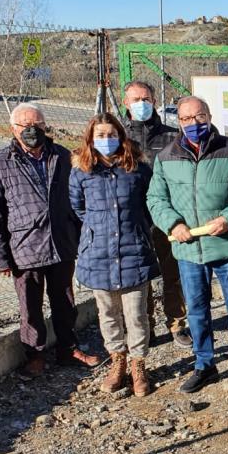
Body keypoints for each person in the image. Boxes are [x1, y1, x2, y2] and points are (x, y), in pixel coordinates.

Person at [146, 96, 228, 393]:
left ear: (209, 116)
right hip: (189, 250)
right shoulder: (166, 157)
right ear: (179, 121)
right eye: (186, 119)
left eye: (199, 117)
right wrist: (173, 223)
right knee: (197, 310)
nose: (193, 123)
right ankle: (204, 364)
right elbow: (156, 199)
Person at [0, 103, 100, 377]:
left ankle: (68, 349)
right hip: (24, 247)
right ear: (13, 129)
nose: (32, 130)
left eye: (37, 125)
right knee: (30, 306)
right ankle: (35, 355)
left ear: (46, 126)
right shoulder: (0, 163)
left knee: (65, 302)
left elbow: (78, 201)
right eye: (25, 126)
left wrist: (82, 240)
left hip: (61, 243)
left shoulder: (62, 156)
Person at [70, 112, 159, 397]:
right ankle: (117, 361)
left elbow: (149, 205)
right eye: (100, 135)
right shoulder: (81, 171)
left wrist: (138, 229)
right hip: (98, 254)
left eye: (111, 134)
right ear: (90, 139)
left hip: (134, 250)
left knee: (136, 315)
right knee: (107, 313)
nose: (106, 140)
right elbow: (78, 208)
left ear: (121, 136)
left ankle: (138, 365)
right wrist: (98, 232)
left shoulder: (138, 168)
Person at [121, 80, 191, 348]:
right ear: (126, 103)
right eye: (136, 99)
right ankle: (144, 326)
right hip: (133, 218)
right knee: (141, 277)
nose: (142, 104)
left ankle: (177, 323)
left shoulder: (173, 137)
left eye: (147, 98)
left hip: (168, 216)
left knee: (172, 272)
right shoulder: (119, 139)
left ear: (154, 101)